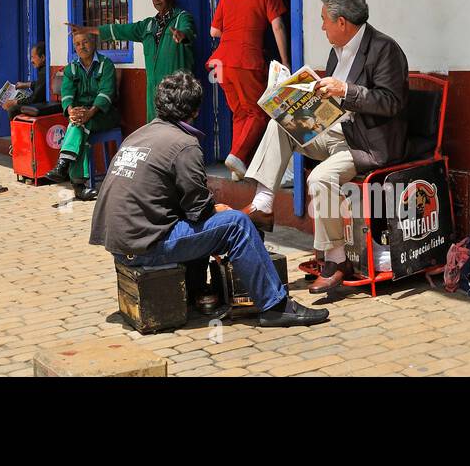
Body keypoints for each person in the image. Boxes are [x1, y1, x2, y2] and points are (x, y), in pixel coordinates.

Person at [89, 71, 328, 328]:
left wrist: (209, 211)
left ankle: (196, 292)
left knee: (208, 222)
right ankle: (276, 305)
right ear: (194, 111)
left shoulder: (138, 135)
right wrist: (217, 211)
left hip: (123, 247)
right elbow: (198, 210)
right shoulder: (184, 144)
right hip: (145, 247)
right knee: (236, 224)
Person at [243, 0, 409, 294]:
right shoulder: (338, 51)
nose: (321, 27)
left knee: (320, 178)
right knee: (280, 124)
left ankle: (335, 260)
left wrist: (345, 91)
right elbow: (333, 105)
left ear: (342, 22)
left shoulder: (385, 49)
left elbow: (391, 102)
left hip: (367, 144)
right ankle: (263, 203)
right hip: (337, 132)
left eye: (324, 20)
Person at [208, 0, 288, 180]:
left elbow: (214, 31)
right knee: (260, 112)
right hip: (246, 60)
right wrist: (285, 61)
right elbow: (278, 26)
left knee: (240, 113)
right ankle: (237, 156)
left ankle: (236, 168)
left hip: (221, 63)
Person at [71, 0, 195, 123]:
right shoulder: (148, 25)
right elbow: (121, 30)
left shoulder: (181, 18)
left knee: (179, 135)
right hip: (155, 94)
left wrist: (182, 36)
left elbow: (189, 32)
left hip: (177, 91)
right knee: (156, 134)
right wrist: (87, 30)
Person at [44, 28, 118, 200]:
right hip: (80, 116)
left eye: (85, 42)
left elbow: (106, 93)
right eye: (77, 44)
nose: (81, 47)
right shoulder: (71, 69)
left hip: (103, 114)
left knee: (79, 126)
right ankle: (78, 186)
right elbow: (67, 93)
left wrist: (90, 112)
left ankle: (64, 167)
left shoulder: (106, 64)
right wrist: (71, 111)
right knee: (79, 126)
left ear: (93, 43)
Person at [0, 42, 47, 115]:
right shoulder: (43, 71)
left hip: (43, 106)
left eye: (33, 57)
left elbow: (35, 99)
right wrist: (27, 85)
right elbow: (40, 85)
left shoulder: (44, 72)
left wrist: (14, 102)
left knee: (13, 109)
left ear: (43, 57)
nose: (31, 61)